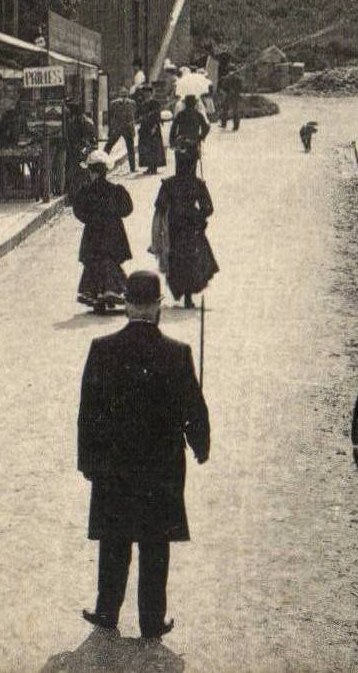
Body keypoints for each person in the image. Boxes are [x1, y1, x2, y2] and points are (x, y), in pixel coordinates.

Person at [78, 270, 210, 641]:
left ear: (126, 306)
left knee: (114, 538)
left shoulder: (102, 349)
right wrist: (200, 445)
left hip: (113, 466)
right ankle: (152, 621)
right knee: (156, 544)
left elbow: (87, 412)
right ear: (156, 308)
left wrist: (87, 462)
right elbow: (194, 410)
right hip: (161, 467)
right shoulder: (177, 353)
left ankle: (107, 610)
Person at [152, 146, 218, 308]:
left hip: (174, 225)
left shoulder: (169, 184)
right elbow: (208, 208)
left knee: (176, 259)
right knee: (192, 260)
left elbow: (159, 204)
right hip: (192, 226)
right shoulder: (197, 184)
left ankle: (180, 290)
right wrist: (199, 215)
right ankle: (188, 295)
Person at [71, 152, 134, 313]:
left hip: (93, 233)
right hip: (114, 233)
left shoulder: (86, 191)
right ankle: (109, 292)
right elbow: (127, 209)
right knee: (110, 261)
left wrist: (90, 218)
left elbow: (78, 210)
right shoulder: (116, 190)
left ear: (92, 172)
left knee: (95, 262)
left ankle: (97, 293)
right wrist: (114, 215)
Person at [105, 87, 137, 174]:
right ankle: (132, 168)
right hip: (122, 128)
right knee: (128, 148)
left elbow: (132, 117)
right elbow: (133, 116)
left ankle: (103, 163)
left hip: (120, 128)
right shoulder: (131, 103)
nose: (123, 97)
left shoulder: (114, 103)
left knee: (110, 146)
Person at [169, 95, 210, 162]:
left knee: (180, 168)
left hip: (181, 142)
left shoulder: (180, 114)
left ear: (185, 104)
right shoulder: (198, 114)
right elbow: (207, 127)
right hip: (193, 142)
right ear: (194, 104)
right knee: (192, 168)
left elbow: (173, 128)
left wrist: (172, 141)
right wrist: (201, 137)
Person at [137, 88, 166, 175]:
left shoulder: (155, 103)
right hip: (144, 128)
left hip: (153, 127)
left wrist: (155, 127)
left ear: (151, 93)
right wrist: (140, 119)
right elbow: (139, 114)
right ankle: (149, 166)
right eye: (145, 93)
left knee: (154, 147)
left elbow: (157, 115)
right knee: (146, 147)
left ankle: (154, 167)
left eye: (148, 93)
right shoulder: (143, 103)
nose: (146, 94)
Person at [216, 67, 243, 132]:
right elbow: (241, 87)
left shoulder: (227, 78)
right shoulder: (239, 78)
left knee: (225, 109)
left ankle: (223, 124)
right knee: (235, 110)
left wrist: (228, 91)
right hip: (236, 96)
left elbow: (223, 87)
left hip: (228, 95)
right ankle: (236, 126)